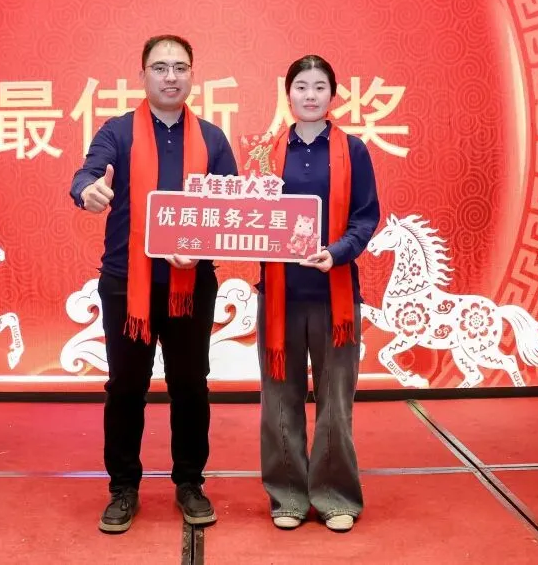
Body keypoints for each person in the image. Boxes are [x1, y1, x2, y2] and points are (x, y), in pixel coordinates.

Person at [70, 34, 239, 534]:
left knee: (190, 386)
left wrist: (201, 246)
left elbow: (230, 210)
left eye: (180, 67)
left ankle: (189, 483)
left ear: (192, 75)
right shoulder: (117, 132)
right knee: (126, 387)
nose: (171, 77)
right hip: (127, 284)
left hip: (192, 283)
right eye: (160, 67)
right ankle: (123, 488)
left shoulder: (212, 139)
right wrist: (89, 191)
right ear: (142, 75)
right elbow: (86, 175)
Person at [257, 54, 381, 533]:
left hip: (335, 295)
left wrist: (338, 252)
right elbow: (246, 216)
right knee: (279, 400)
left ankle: (335, 497)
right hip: (278, 295)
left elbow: (366, 217)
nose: (310, 95)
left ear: (333, 94)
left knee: (335, 402)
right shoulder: (264, 152)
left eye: (319, 87)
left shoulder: (354, 150)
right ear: (287, 93)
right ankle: (287, 496)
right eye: (301, 86)